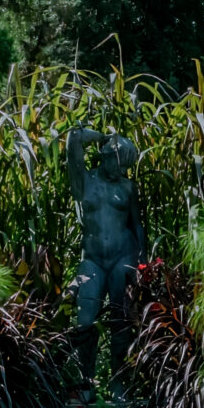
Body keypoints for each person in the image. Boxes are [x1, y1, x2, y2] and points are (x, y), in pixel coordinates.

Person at [64, 126, 146, 372]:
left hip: (122, 258)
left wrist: (141, 262)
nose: (122, 171)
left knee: (121, 322)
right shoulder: (85, 181)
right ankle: (85, 381)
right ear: (107, 156)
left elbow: (137, 225)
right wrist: (103, 138)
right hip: (93, 260)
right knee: (85, 320)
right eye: (119, 164)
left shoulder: (128, 187)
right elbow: (73, 138)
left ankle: (118, 383)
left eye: (126, 167)